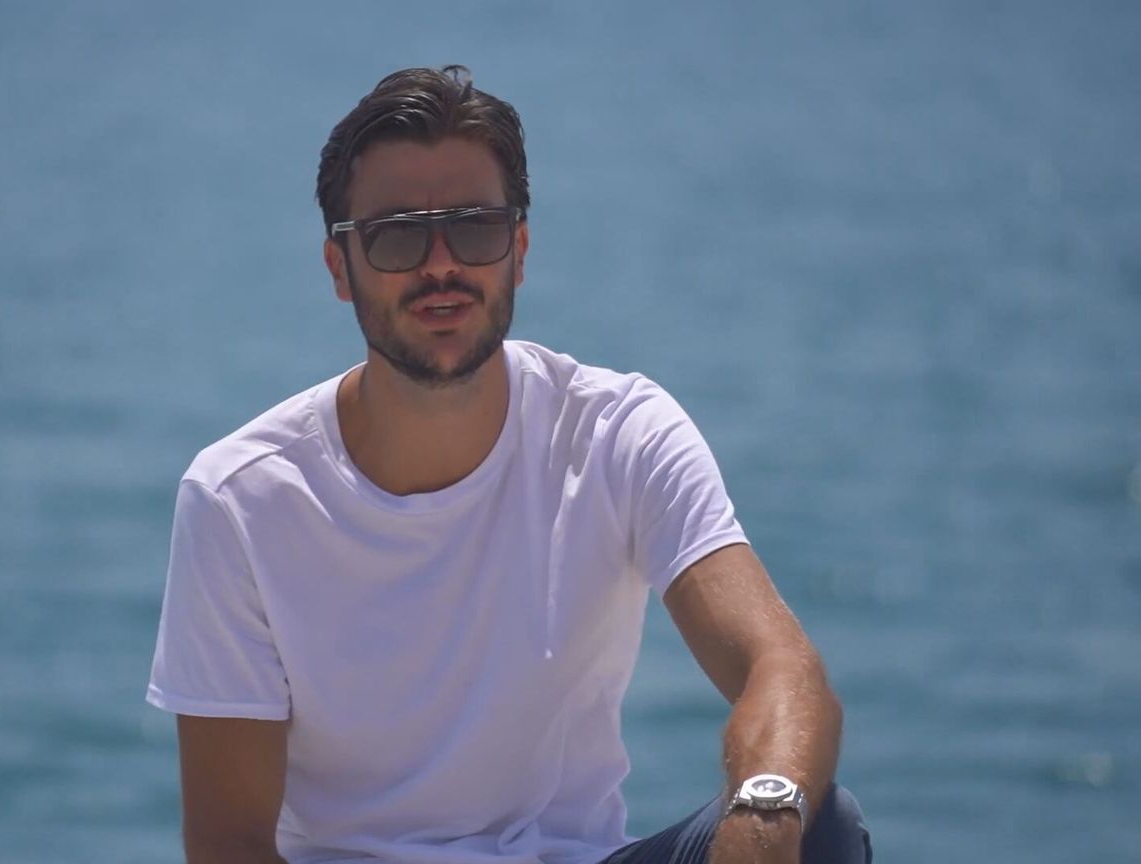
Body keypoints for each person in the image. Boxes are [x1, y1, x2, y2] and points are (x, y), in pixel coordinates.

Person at [146, 65, 871, 864]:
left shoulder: (618, 434)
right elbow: (231, 844)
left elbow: (783, 669)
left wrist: (760, 827)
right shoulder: (239, 500)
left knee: (821, 825)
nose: (441, 265)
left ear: (518, 251)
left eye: (475, 228)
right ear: (339, 269)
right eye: (397, 235)